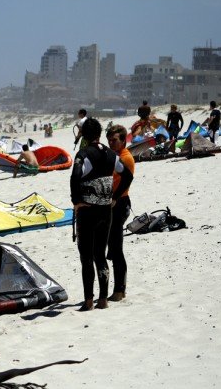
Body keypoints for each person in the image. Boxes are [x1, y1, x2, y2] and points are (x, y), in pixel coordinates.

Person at [70, 118, 133, 311]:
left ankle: (89, 301)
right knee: (100, 254)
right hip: (106, 211)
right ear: (99, 134)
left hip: (87, 212)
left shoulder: (83, 154)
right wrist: (114, 195)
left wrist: (76, 201)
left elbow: (75, 177)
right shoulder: (110, 154)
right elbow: (127, 175)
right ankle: (103, 299)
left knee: (86, 256)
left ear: (84, 135)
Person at [105, 125, 135, 302]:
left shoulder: (126, 157)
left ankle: (119, 290)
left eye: (114, 140)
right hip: (110, 204)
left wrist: (115, 197)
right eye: (109, 139)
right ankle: (118, 289)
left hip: (120, 204)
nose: (111, 142)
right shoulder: (113, 156)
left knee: (116, 248)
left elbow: (127, 180)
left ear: (123, 140)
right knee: (112, 246)